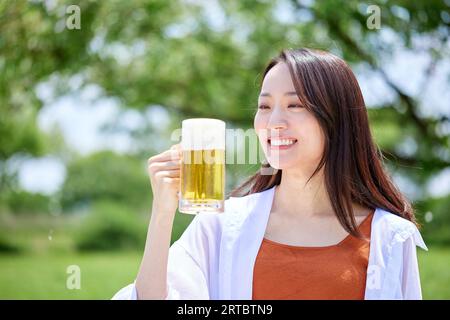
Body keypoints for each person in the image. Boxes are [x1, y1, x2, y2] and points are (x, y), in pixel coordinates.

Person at [112, 48, 427, 300]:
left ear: (337, 119)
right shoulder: (222, 225)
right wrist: (162, 215)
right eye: (264, 107)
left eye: (295, 105)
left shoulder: (390, 237)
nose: (274, 121)